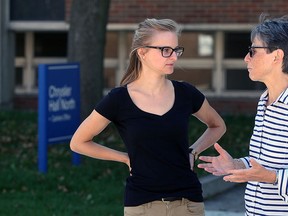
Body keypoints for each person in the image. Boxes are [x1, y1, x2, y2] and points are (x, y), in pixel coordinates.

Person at [70, 18, 226, 216]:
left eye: (176, 50)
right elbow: (78, 142)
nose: (174, 57)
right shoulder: (119, 100)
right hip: (142, 206)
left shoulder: (186, 93)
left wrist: (193, 152)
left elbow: (217, 125)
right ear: (142, 53)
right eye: (165, 50)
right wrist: (125, 158)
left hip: (189, 204)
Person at [198, 14, 288, 216]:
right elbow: (265, 163)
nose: (246, 58)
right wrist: (237, 165)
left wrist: (272, 178)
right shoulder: (265, 100)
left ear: (277, 56)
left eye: (253, 51)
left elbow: (270, 173)